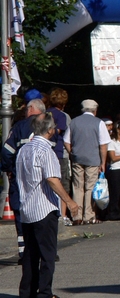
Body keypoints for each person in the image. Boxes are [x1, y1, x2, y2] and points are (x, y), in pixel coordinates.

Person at [16, 113, 79, 298]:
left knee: (30, 255)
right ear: (50, 130)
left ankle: (27, 292)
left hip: (27, 208)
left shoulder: (24, 150)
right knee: (47, 255)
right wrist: (70, 201)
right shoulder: (46, 151)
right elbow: (52, 179)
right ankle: (44, 292)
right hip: (44, 208)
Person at [1, 99, 46, 263]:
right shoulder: (48, 126)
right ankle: (46, 250)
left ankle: (24, 252)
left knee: (21, 213)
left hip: (20, 177)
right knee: (43, 212)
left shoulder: (20, 127)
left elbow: (6, 152)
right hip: (43, 177)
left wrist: (8, 169)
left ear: (32, 109)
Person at [63, 99, 111, 225]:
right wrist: (103, 162)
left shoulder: (74, 122)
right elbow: (103, 145)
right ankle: (88, 215)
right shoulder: (99, 123)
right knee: (90, 187)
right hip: (93, 159)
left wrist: (72, 153)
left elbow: (66, 140)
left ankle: (76, 216)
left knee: (78, 186)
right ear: (95, 110)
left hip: (77, 158)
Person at [47, 88, 72, 226]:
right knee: (62, 184)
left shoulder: (45, 113)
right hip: (59, 152)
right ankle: (63, 215)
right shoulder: (62, 116)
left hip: (46, 151)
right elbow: (60, 131)